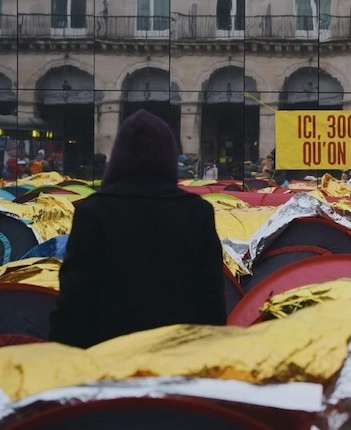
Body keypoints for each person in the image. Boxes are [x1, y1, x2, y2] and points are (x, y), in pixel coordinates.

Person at [50, 109, 226, 348]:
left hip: (108, 358)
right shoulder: (197, 212)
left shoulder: (93, 212)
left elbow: (76, 300)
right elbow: (211, 300)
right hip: (177, 358)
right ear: (169, 156)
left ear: (119, 156)